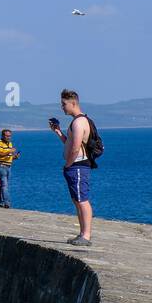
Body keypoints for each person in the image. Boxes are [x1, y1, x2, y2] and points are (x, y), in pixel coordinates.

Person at [51, 89, 94, 245]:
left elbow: (75, 148)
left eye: (64, 104)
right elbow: (69, 143)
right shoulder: (77, 121)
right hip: (76, 165)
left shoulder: (79, 122)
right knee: (77, 199)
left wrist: (68, 164)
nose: (62, 107)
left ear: (73, 103)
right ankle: (82, 233)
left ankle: (86, 235)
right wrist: (58, 132)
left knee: (82, 200)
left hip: (77, 165)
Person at [0, 129, 18, 208]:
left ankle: (1, 202)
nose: (8, 137)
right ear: (2, 136)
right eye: (6, 136)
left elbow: (7, 156)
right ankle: (7, 202)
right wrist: (10, 151)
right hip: (1, 166)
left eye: (9, 136)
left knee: (3, 185)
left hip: (8, 166)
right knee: (4, 185)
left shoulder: (10, 144)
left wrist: (14, 157)